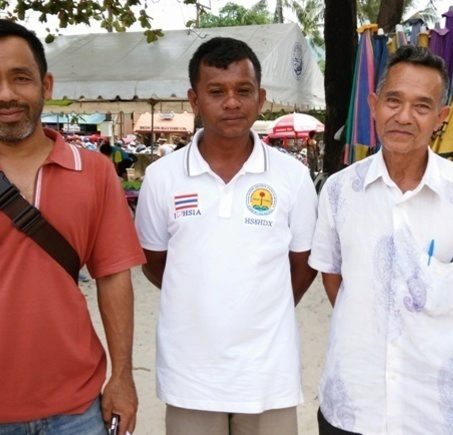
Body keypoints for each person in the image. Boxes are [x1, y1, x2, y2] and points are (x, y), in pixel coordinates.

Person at [309, 45, 453, 435]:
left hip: (438, 412)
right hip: (354, 404)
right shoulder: (339, 191)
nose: (404, 117)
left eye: (422, 106)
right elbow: (333, 278)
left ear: (441, 117)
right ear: (373, 104)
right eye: (393, 100)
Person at [135, 37, 318, 435]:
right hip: (192, 376)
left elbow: (302, 268)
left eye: (243, 91)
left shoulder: (292, 177)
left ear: (262, 98)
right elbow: (155, 262)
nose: (231, 102)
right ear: (194, 100)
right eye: (216, 91)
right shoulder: (162, 177)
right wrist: (202, 298)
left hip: (268, 375)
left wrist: (257, 308)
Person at [0, 20, 145, 435]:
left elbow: (114, 277)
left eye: (20, 78)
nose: (6, 94)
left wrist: (122, 377)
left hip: (76, 411)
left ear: (46, 85)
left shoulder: (94, 172)